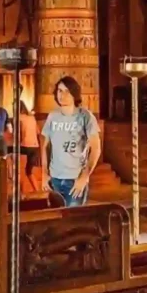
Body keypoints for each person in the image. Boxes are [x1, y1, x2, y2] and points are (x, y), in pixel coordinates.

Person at [40, 76, 101, 207]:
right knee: (55, 220)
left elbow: (96, 148)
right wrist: (44, 173)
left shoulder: (85, 116)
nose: (62, 95)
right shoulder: (53, 116)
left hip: (74, 179)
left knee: (72, 221)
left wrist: (84, 177)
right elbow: (44, 145)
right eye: (60, 91)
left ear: (74, 94)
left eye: (67, 91)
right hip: (55, 178)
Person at [17, 101, 40, 193]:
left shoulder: (18, 118)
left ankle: (20, 190)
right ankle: (37, 190)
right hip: (35, 147)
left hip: (25, 146)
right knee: (29, 171)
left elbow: (19, 134)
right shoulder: (32, 118)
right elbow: (38, 132)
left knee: (8, 154)